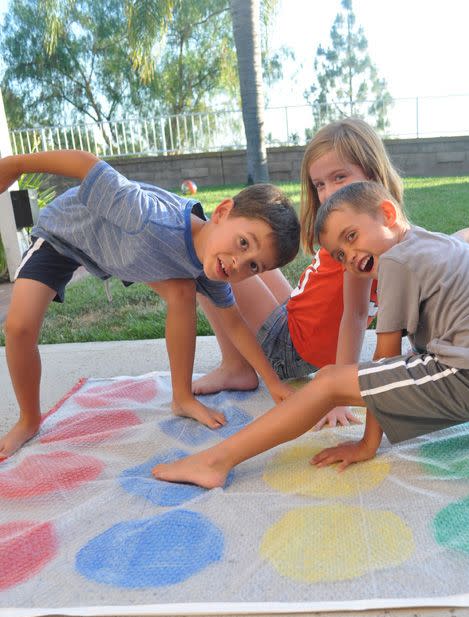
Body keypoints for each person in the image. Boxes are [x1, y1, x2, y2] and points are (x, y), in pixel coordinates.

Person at [152, 180, 469, 488]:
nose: (351, 258)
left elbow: (382, 364)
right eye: (341, 256)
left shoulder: (397, 262)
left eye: (352, 237)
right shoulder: (437, 245)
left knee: (328, 381)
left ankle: (216, 461)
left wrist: (367, 445)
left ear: (388, 214)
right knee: (445, 350)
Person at [0, 149, 300, 458]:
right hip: (63, 237)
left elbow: (235, 324)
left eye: (254, 266)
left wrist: (274, 384)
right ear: (223, 212)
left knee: (183, 289)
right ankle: (29, 420)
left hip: (120, 252)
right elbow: (87, 164)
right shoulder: (146, 217)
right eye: (243, 243)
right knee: (19, 327)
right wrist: (14, 165)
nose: (239, 263)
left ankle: (181, 397)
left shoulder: (211, 268)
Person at [192, 118, 469, 429]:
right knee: (235, 250)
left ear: (372, 173)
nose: (329, 193)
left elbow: (354, 317)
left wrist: (339, 394)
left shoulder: (355, 247)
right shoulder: (384, 234)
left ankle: (237, 367)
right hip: (292, 319)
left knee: (203, 255)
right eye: (320, 185)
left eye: (339, 177)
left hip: (286, 349)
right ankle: (235, 362)